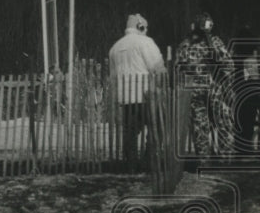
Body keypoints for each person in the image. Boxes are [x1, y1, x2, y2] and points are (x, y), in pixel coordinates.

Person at [108, 13, 166, 171]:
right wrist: (161, 87)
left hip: (126, 99)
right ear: (140, 27)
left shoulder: (115, 48)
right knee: (157, 128)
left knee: (130, 134)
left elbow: (113, 78)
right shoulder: (145, 42)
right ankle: (149, 161)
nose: (146, 31)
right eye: (145, 28)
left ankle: (131, 166)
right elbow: (158, 68)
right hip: (146, 96)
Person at [175, 12, 231, 157]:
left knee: (200, 126)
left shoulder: (185, 44)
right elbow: (228, 64)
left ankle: (204, 158)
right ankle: (226, 158)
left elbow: (178, 68)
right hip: (214, 89)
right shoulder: (215, 42)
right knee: (222, 123)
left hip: (193, 90)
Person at [230, 26, 260, 155]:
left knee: (241, 119)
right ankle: (247, 147)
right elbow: (254, 76)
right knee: (248, 119)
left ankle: (241, 147)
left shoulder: (236, 57)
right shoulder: (251, 59)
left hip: (240, 91)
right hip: (251, 90)